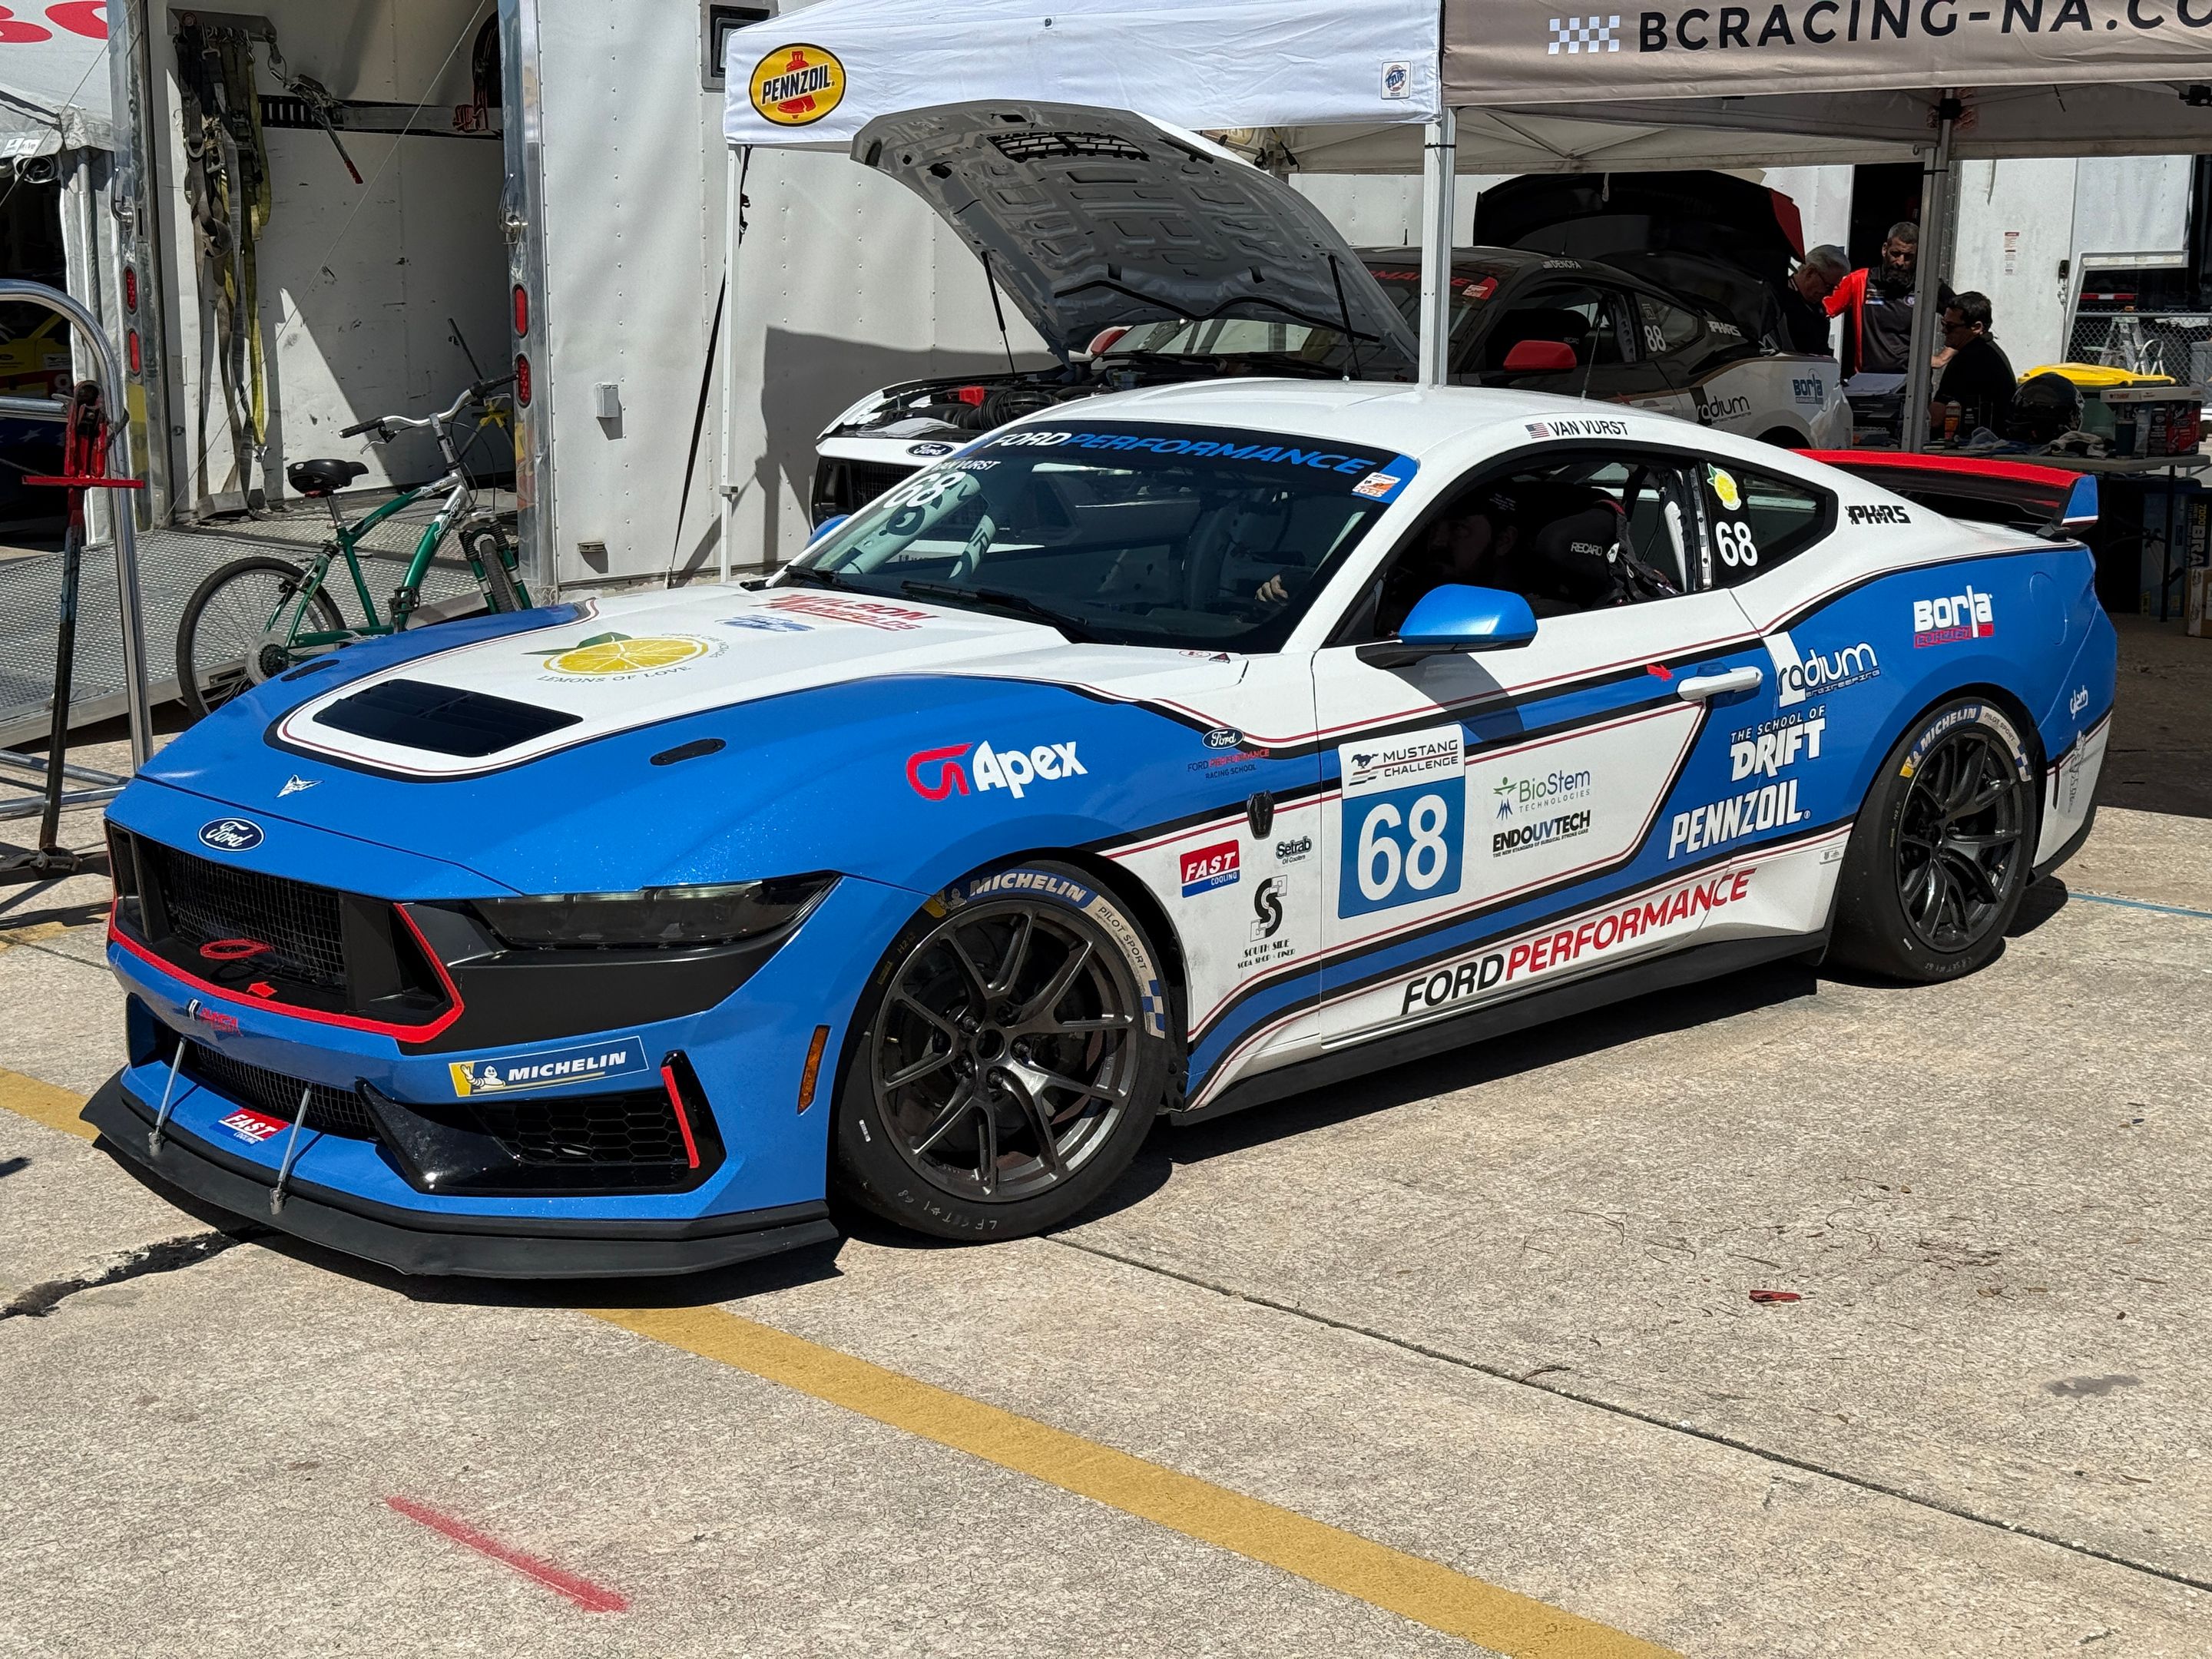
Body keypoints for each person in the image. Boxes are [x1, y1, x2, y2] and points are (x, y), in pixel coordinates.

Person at [1824, 221, 1954, 378]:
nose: (1900, 262)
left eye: (1908, 257)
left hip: (1911, 382)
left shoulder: (1928, 286)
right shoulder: (1860, 281)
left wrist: (1942, 357)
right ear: (1885, 249)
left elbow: (1967, 319)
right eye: (1896, 254)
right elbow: (1821, 308)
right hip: (1867, 381)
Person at [1929, 291, 2015, 441]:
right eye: (1943, 323)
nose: (1944, 330)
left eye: (1950, 326)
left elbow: (1935, 418)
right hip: (1990, 440)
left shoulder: (1967, 359)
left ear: (1976, 327)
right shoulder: (1989, 351)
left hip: (1973, 444)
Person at [1781, 244, 1847, 356]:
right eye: (1828, 286)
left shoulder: (1818, 308)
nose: (1830, 293)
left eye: (1834, 287)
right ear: (1810, 273)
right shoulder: (1779, 302)